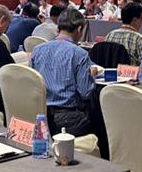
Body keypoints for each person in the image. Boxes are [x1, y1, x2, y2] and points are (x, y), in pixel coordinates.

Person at [30, 8, 97, 136]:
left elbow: (32, 82)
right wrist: (91, 76)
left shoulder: (37, 50)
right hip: (68, 117)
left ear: (58, 28)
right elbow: (85, 93)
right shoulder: (79, 54)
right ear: (79, 29)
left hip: (40, 114)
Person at [105, 2, 142, 67]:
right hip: (130, 72)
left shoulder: (110, 35)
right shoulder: (138, 38)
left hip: (110, 72)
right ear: (135, 20)